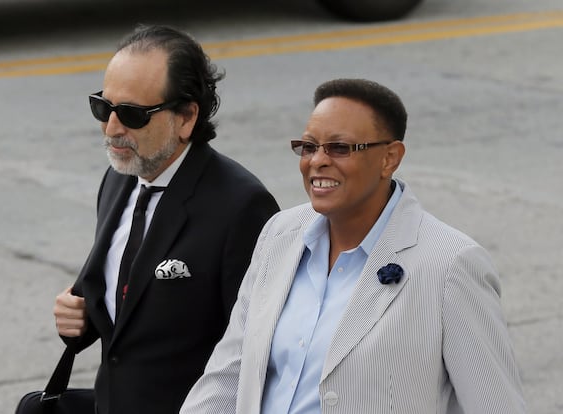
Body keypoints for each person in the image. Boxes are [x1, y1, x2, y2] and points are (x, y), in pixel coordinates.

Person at [180, 78, 527, 413]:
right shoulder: (279, 235)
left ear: (390, 158)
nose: (317, 160)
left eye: (340, 148)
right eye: (309, 146)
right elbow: (229, 374)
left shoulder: (450, 265)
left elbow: (495, 404)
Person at [52, 24, 279, 414]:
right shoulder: (118, 179)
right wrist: (81, 315)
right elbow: (127, 306)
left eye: (132, 114)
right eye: (102, 107)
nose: (112, 128)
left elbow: (257, 353)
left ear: (186, 116)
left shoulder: (242, 207)